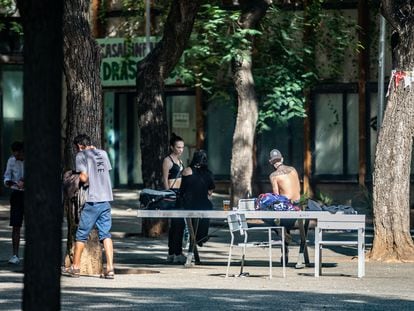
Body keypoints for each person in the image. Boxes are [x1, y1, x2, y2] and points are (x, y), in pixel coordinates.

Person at [63, 134, 114, 278]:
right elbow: (104, 172)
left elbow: (84, 177)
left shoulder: (81, 155)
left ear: (79, 146)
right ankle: (110, 269)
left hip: (92, 199)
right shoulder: (103, 153)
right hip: (106, 199)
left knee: (81, 235)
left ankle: (75, 267)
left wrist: (73, 178)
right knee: (105, 234)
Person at [268, 148, 301, 263]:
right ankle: (285, 235)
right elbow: (298, 188)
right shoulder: (293, 169)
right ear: (282, 159)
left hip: (287, 209)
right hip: (299, 206)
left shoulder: (273, 175)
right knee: (281, 217)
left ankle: (283, 237)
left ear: (271, 162)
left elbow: (276, 196)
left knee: (268, 216)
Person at [179, 150, 215, 251]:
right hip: (202, 203)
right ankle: (201, 236)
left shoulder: (186, 171)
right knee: (208, 207)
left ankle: (196, 237)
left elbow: (182, 189)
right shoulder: (208, 173)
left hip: (188, 204)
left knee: (196, 213)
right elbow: (210, 191)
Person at [162, 133, 186, 264]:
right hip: (172, 193)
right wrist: (167, 193)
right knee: (176, 224)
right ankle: (173, 252)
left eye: (182, 147)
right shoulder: (168, 160)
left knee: (180, 224)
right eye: (178, 147)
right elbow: (165, 178)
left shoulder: (180, 161)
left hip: (180, 193)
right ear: (172, 147)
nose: (180, 150)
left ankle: (176, 251)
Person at [3, 141, 24, 265]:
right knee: (16, 225)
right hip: (16, 194)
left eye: (19, 155)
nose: (16, 157)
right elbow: (6, 177)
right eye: (15, 155)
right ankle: (15, 255)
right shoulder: (11, 160)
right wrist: (9, 182)